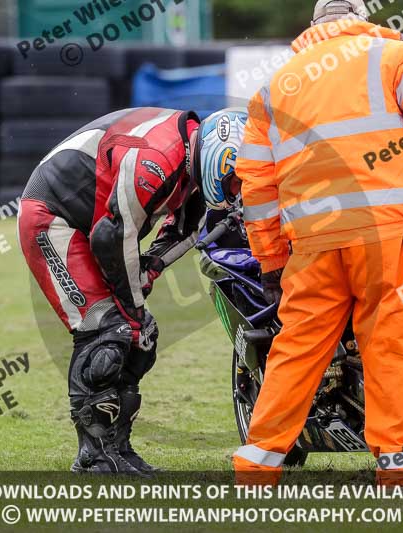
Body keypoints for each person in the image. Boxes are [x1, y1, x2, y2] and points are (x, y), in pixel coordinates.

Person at [233, 0, 403, 486]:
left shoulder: (274, 89)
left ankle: (257, 466)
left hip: (313, 240)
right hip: (387, 230)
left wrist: (272, 261)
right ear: (362, 17)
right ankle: (400, 471)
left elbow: (256, 188)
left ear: (314, 27)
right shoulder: (395, 57)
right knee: (392, 342)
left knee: (298, 346)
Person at [17, 107, 244, 475]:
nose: (236, 190)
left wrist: (150, 269)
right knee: (111, 331)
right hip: (52, 217)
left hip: (91, 227)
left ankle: (116, 449)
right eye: (235, 180)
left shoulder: (192, 164)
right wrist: (133, 307)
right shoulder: (157, 159)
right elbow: (111, 238)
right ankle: (93, 458)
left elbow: (183, 231)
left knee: (141, 340)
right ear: (220, 156)